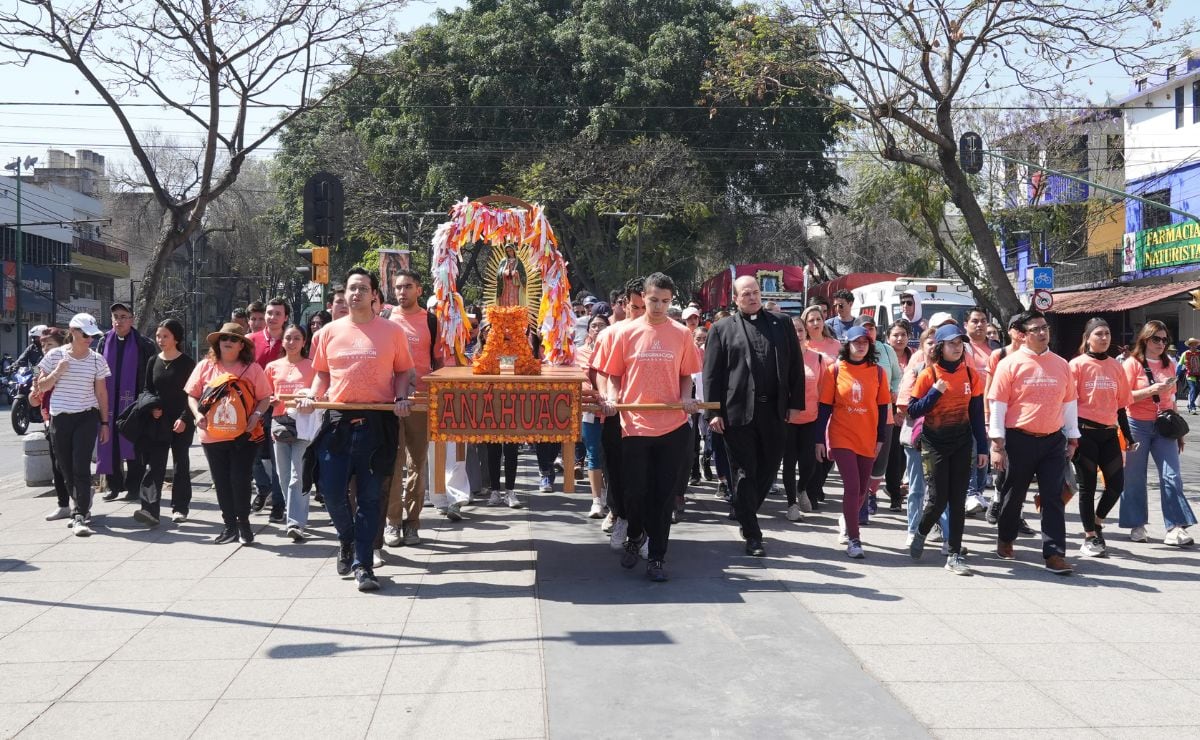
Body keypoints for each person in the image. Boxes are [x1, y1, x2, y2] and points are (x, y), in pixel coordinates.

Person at [297, 267, 414, 592]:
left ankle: (363, 565)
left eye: (363, 288)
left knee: (370, 498)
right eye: (351, 288)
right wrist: (312, 395)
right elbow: (321, 374)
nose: (356, 294)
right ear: (345, 294)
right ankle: (346, 540)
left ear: (374, 295)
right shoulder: (328, 333)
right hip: (338, 421)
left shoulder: (392, 332)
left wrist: (401, 397)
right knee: (331, 490)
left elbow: (403, 371)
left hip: (378, 422)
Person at [594, 272, 701, 581]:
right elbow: (613, 374)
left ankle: (657, 556)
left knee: (663, 495)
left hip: (672, 425)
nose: (658, 307)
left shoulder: (681, 333)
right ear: (643, 297)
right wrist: (612, 398)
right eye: (653, 300)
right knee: (635, 491)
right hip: (635, 424)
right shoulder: (624, 333)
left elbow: (686, 374)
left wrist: (685, 398)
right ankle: (635, 534)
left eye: (665, 302)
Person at [704, 276, 805, 557]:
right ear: (735, 299)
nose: (752, 297)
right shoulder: (722, 329)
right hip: (737, 413)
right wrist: (712, 411)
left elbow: (795, 366)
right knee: (745, 472)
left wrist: (795, 404)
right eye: (746, 293)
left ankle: (743, 507)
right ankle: (753, 533)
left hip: (773, 411)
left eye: (756, 292)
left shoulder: (781, 323)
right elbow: (711, 374)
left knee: (769, 468)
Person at [988, 310, 1080, 575]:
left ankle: (1054, 554)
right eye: (1035, 329)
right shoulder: (1010, 364)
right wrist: (997, 443)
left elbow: (1069, 403)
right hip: (1019, 440)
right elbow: (998, 406)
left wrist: (1072, 437)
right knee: (1012, 495)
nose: (1042, 333)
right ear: (1023, 335)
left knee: (1053, 498)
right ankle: (1005, 538)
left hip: (1053, 441)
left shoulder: (1061, 364)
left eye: (1045, 328)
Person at [905, 324, 988, 576]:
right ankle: (921, 531)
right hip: (934, 444)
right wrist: (933, 393)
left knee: (957, 500)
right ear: (940, 347)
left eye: (959, 343)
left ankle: (954, 554)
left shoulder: (972, 375)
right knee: (938, 499)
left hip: (962, 444)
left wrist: (982, 448)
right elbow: (913, 410)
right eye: (951, 343)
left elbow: (976, 415)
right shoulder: (929, 374)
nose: (956, 347)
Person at [185, 323, 273, 545]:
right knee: (222, 481)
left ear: (241, 344)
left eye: (233, 339)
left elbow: (265, 397)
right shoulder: (205, 366)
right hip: (212, 436)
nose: (228, 341)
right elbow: (192, 395)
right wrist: (197, 415)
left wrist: (256, 416)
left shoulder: (252, 369)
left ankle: (244, 524)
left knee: (240, 479)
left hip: (244, 435)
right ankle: (229, 526)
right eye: (224, 338)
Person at [816, 326, 890, 559]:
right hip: (842, 436)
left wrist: (880, 438)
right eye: (856, 342)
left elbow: (881, 408)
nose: (860, 345)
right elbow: (825, 408)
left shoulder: (878, 373)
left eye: (865, 342)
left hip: (867, 437)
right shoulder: (835, 370)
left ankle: (846, 520)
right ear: (846, 345)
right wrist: (819, 439)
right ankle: (855, 539)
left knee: (862, 490)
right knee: (852, 486)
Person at [1121, 320, 1197, 546]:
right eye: (1157, 339)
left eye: (1165, 339)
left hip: (1165, 425)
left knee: (1172, 475)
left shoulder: (1170, 364)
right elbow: (1124, 397)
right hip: (1136, 425)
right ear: (1145, 339)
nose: (1161, 343)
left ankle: (1175, 527)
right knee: (1134, 477)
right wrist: (1151, 390)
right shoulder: (1132, 364)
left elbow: (1172, 399)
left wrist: (1179, 431)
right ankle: (1137, 525)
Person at [35, 314, 111, 537]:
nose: (89, 339)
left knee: (80, 465)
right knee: (64, 467)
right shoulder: (54, 355)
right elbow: (42, 386)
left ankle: (79, 515)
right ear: (73, 331)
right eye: (85, 334)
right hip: (60, 417)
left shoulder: (97, 359)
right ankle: (81, 503)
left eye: (93, 335)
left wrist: (105, 422)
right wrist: (58, 371)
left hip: (87, 416)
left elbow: (101, 393)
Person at [382, 269, 443, 548]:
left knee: (417, 463)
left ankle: (413, 522)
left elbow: (439, 362)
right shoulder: (384, 318)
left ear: (419, 289)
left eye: (407, 286)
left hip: (421, 403)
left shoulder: (431, 321)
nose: (401, 292)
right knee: (393, 465)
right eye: (397, 287)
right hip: (390, 402)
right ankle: (392, 523)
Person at [1069, 318, 1133, 558]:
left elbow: (1121, 406)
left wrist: (1128, 435)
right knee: (1088, 487)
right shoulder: (1076, 365)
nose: (1104, 338)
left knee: (1116, 485)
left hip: (1108, 434)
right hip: (1084, 433)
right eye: (1098, 334)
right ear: (1088, 338)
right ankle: (1089, 537)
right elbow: (1068, 404)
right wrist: (1070, 435)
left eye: (1107, 333)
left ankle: (1097, 523)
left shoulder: (1117, 367)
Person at [594, 276, 647, 543]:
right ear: (625, 304)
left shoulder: (661, 331)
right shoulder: (609, 334)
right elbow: (602, 372)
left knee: (646, 475)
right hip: (617, 414)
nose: (640, 314)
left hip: (649, 415)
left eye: (644, 308)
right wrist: (606, 397)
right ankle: (620, 516)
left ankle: (645, 528)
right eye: (635, 307)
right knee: (615, 470)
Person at [133, 319, 196, 526]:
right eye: (158, 336)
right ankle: (150, 509)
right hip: (158, 421)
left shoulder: (187, 363)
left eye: (165, 336)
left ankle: (180, 508)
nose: (160, 340)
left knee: (180, 464)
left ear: (176, 338)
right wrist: (152, 408)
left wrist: (185, 418)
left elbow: (195, 394)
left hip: (182, 421)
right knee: (155, 464)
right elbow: (147, 390)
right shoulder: (153, 361)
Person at [97, 302, 156, 503]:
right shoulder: (104, 341)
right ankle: (113, 486)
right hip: (109, 403)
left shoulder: (144, 344)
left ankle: (134, 486)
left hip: (133, 403)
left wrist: (146, 402)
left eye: (123, 316)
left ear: (131, 319)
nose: (119, 320)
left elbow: (150, 376)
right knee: (110, 444)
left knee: (134, 446)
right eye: (115, 316)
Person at [265, 323, 318, 541]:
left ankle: (295, 522)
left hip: (303, 425)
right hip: (280, 424)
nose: (292, 342)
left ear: (304, 342)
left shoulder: (312, 366)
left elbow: (320, 393)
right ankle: (294, 513)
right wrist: (270, 400)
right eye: (288, 338)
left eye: (297, 338)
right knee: (283, 475)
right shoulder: (272, 367)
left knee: (298, 476)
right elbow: (265, 394)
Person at [853, 314, 901, 524]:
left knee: (879, 463)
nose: (869, 332)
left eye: (871, 329)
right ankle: (859, 503)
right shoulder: (851, 353)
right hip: (859, 417)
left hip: (885, 415)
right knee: (861, 462)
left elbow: (898, 376)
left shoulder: (887, 350)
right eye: (864, 328)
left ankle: (871, 493)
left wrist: (894, 391)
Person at [781, 315, 830, 521]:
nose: (797, 334)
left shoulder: (818, 358)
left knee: (809, 464)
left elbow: (823, 391)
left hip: (812, 419)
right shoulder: (781, 358)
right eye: (793, 331)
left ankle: (802, 490)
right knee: (790, 463)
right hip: (788, 421)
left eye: (800, 330)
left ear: (806, 332)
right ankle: (791, 503)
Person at [250, 297, 289, 521]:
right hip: (255, 407)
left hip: (281, 408)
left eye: (277, 314)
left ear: (285, 318)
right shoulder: (251, 340)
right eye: (269, 313)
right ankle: (262, 487)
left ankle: (278, 503)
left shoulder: (291, 339)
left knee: (278, 460)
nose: (272, 318)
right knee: (253, 454)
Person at [31, 328, 73, 522]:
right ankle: (63, 505)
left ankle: (80, 500)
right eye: (43, 345)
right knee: (56, 464)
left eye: (50, 345)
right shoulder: (42, 369)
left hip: (73, 419)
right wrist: (33, 394)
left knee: (71, 463)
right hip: (49, 419)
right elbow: (34, 400)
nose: (46, 349)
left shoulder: (71, 364)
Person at [577, 313, 610, 518]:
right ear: (588, 330)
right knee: (593, 455)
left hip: (613, 411)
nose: (597, 329)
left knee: (612, 457)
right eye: (594, 326)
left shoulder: (616, 351)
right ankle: (597, 500)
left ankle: (611, 499)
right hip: (590, 411)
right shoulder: (578, 353)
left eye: (602, 325)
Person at [963, 307, 993, 515]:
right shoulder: (962, 348)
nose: (980, 324)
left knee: (985, 453)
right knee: (972, 452)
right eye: (975, 321)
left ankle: (978, 492)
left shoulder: (996, 349)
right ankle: (970, 493)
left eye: (983, 320)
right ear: (966, 325)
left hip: (990, 408)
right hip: (968, 408)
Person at [1180, 337, 1200, 414]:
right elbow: (1179, 365)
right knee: (1193, 389)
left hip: (1198, 375)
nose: (1193, 346)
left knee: (1197, 390)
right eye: (1192, 344)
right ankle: (1192, 407)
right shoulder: (1184, 354)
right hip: (1189, 375)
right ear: (1189, 345)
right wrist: (1176, 374)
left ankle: (1190, 404)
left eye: (1195, 344)